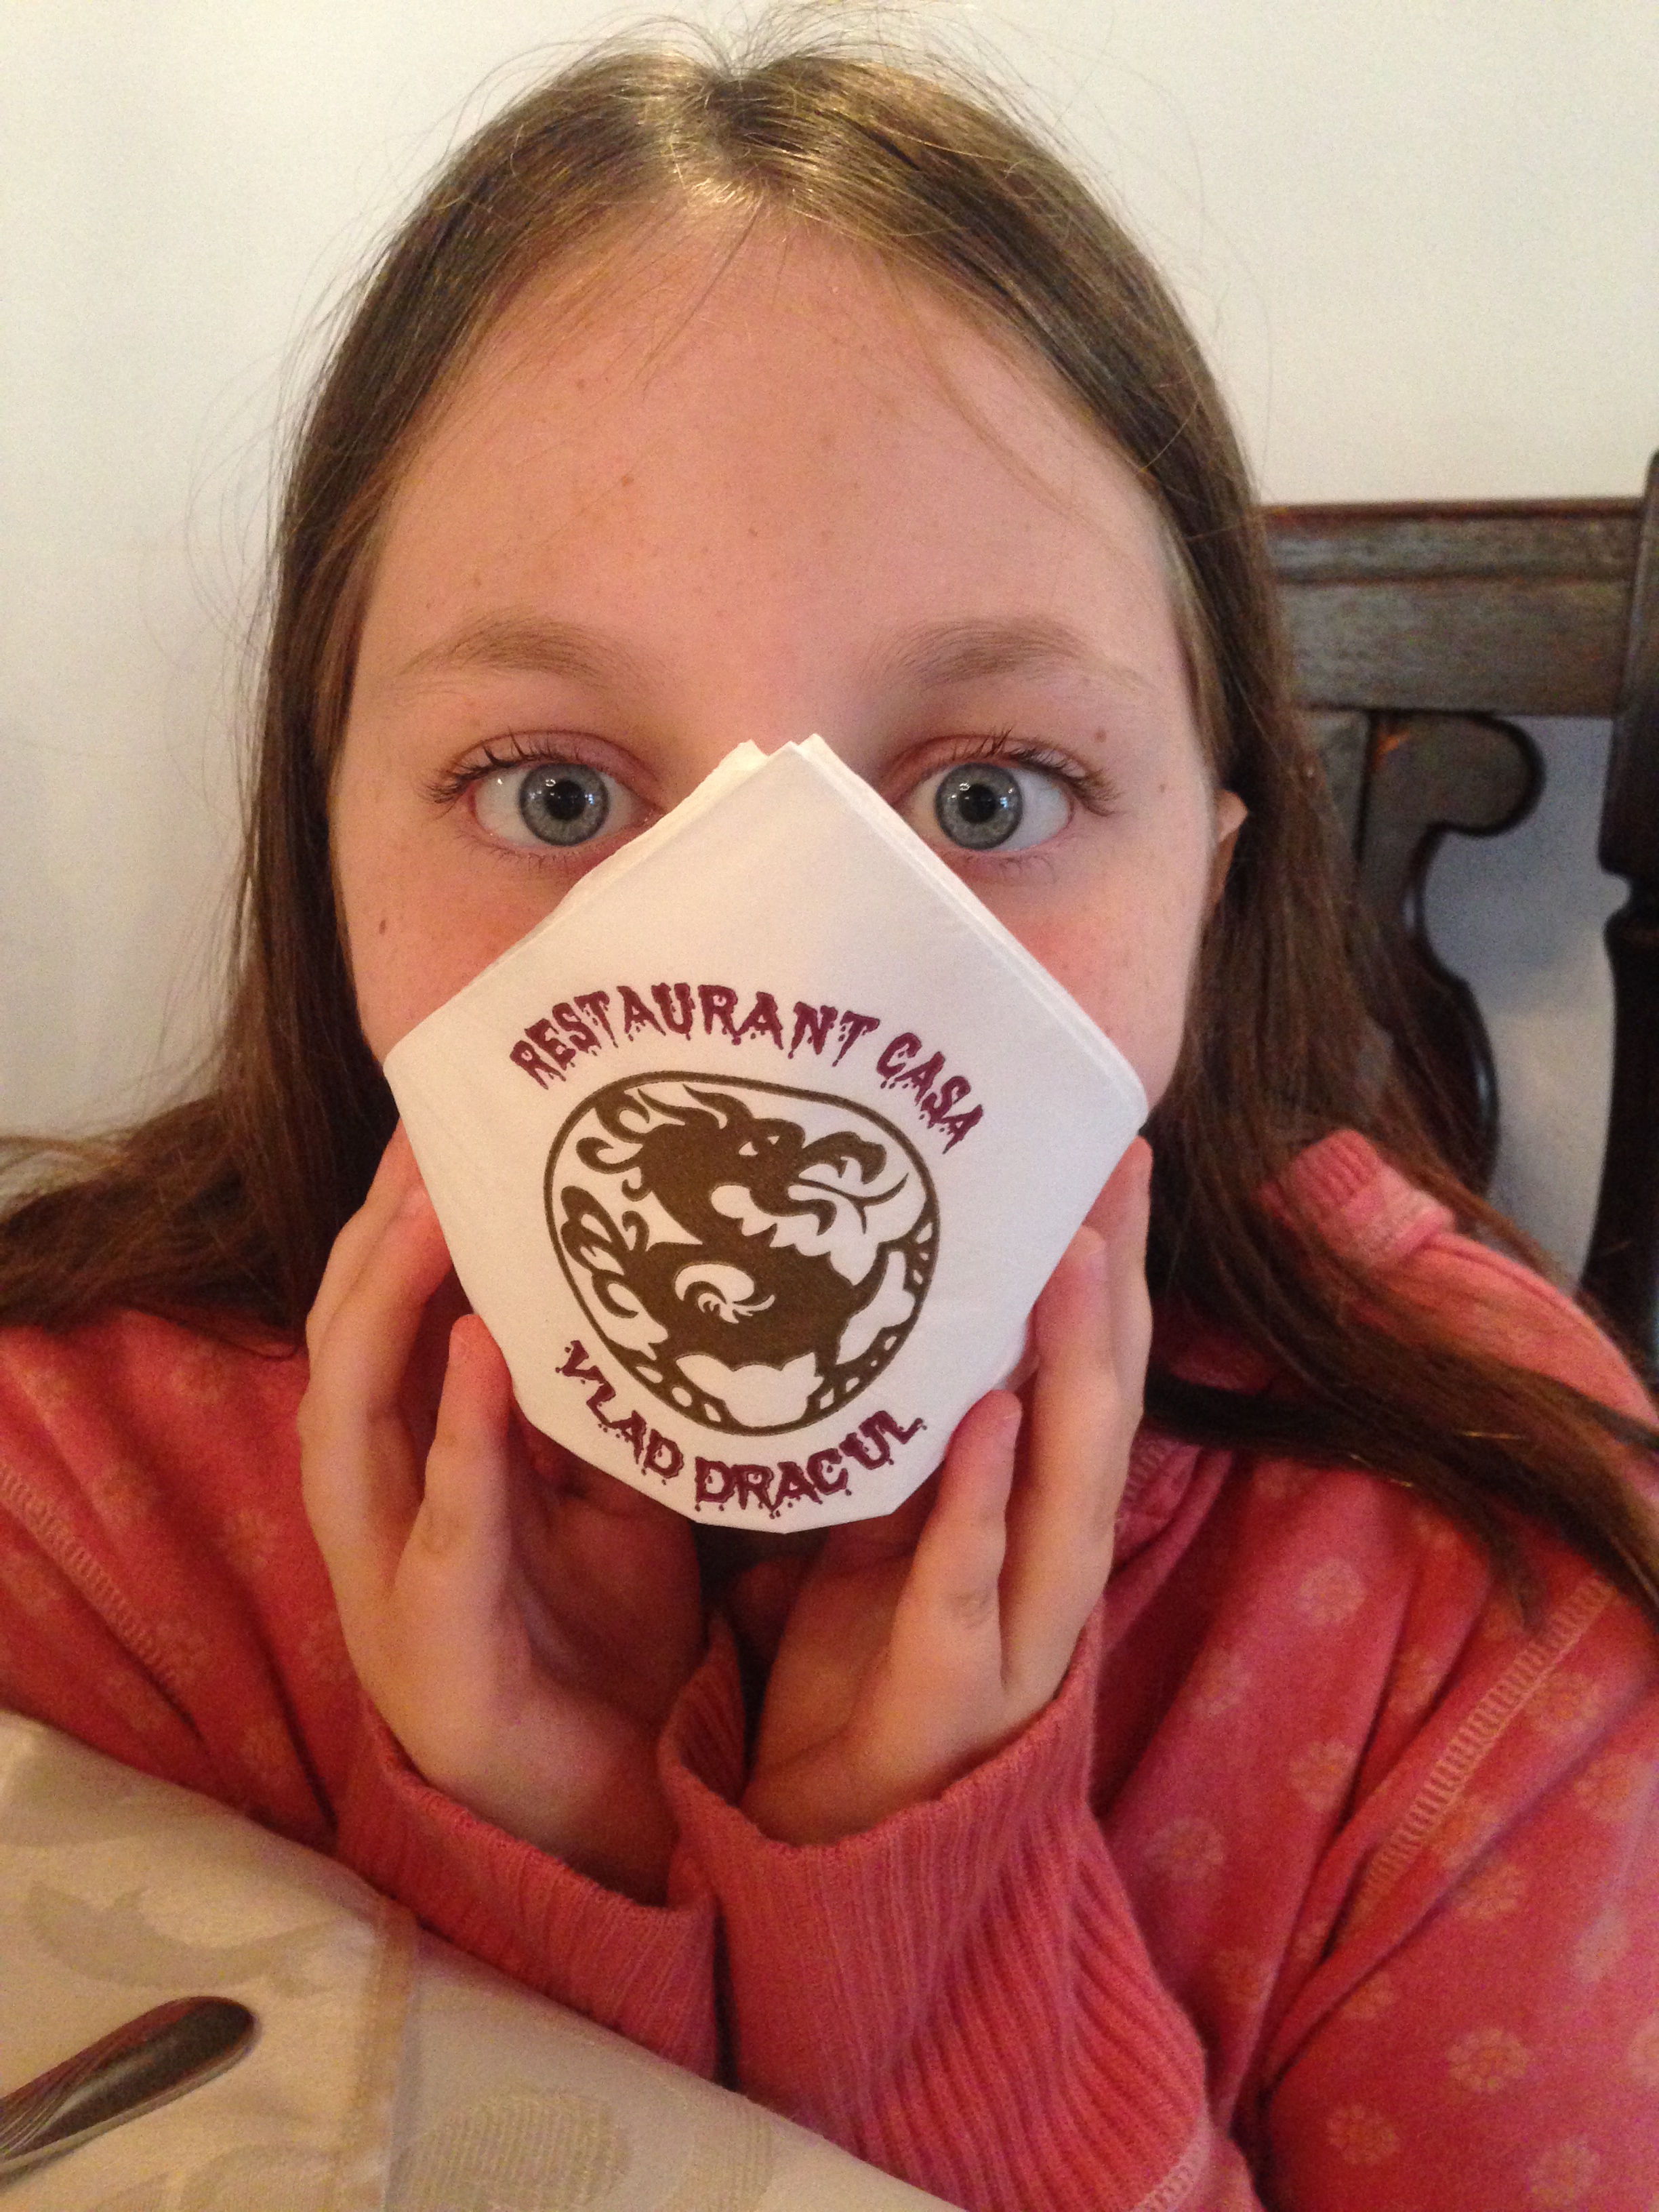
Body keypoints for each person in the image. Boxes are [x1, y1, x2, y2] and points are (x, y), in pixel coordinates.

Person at [3, 34, 1656, 2211]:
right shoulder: (89, 1512)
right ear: (328, 853)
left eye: (986, 797)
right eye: (557, 794)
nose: (788, 999)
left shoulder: (1484, 1600)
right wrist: (538, 1859)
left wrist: (938, 1938)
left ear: (1213, 868)